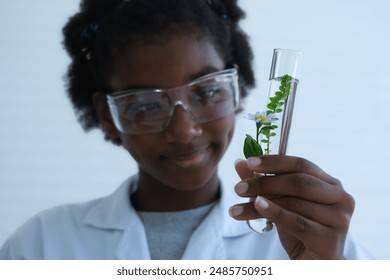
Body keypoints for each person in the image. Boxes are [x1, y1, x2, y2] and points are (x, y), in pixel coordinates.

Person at [0, 0, 373, 260]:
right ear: (107, 114)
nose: (183, 132)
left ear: (236, 88)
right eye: (145, 104)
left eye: (207, 92)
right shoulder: (40, 245)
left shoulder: (313, 241)